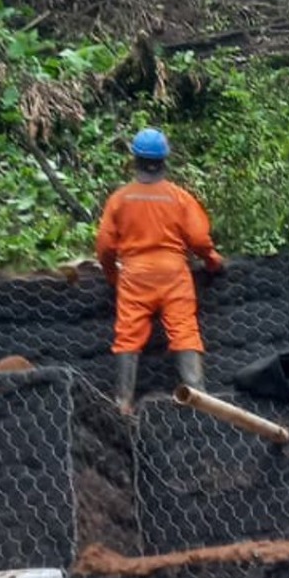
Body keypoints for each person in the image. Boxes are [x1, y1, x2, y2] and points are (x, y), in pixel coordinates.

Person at [95, 127, 225, 410]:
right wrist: (212, 261)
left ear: (134, 160)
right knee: (183, 328)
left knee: (128, 335)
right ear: (165, 160)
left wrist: (112, 276)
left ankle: (123, 402)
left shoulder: (120, 199)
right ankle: (198, 394)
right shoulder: (178, 197)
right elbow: (200, 239)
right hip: (173, 273)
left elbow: (105, 247)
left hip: (134, 275)